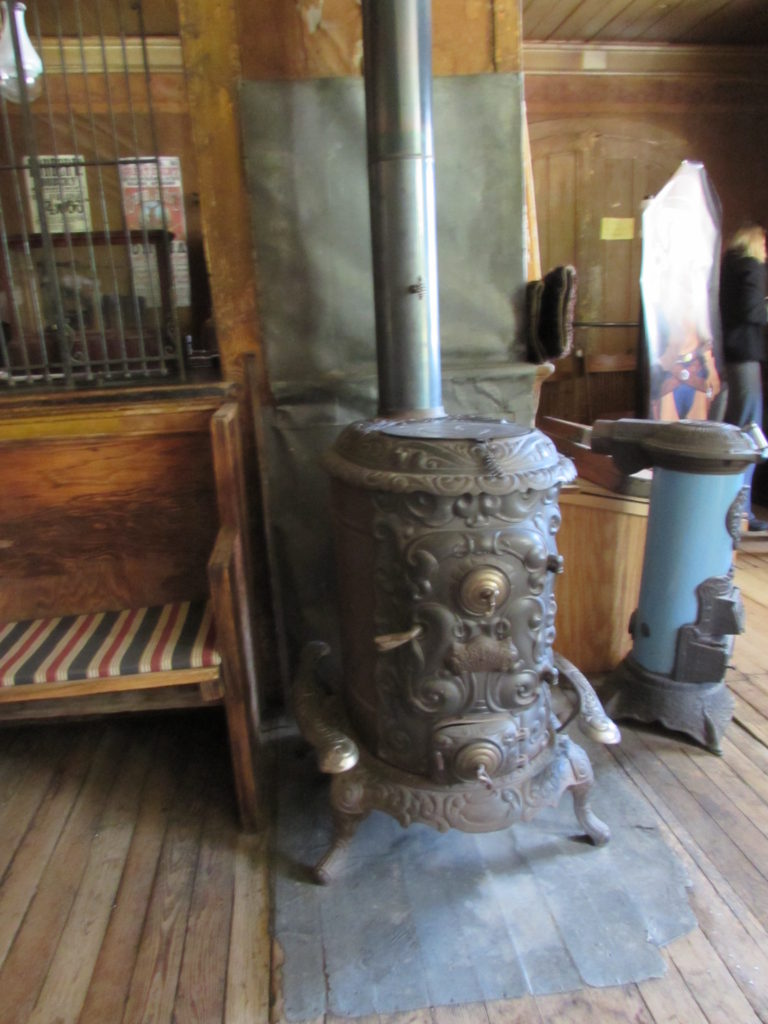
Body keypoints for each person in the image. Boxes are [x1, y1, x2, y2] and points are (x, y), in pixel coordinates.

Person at [720, 222, 768, 531]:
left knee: (735, 432)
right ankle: (741, 513)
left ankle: (733, 508)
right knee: (749, 434)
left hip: (729, 355)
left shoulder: (728, 266)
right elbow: (751, 311)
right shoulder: (751, 267)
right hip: (745, 356)